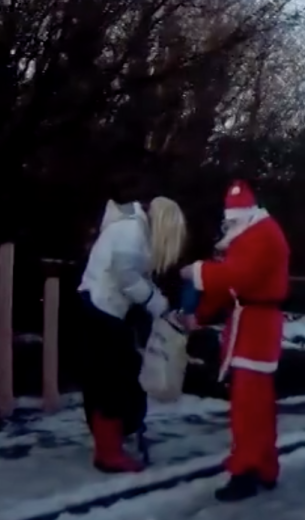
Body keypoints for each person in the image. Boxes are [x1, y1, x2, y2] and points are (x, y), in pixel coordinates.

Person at [180, 180, 289, 502]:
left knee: (247, 406)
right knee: (257, 405)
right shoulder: (255, 233)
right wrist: (198, 315)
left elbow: (235, 277)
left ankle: (245, 471)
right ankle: (264, 466)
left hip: (256, 328)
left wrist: (197, 272)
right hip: (253, 325)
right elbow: (231, 282)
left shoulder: (262, 236)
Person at [77, 197, 187, 473]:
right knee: (116, 380)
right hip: (103, 308)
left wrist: (158, 304)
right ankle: (108, 454)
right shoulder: (132, 230)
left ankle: (108, 442)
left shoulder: (131, 228)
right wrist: (157, 304)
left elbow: (136, 276)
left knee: (105, 379)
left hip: (97, 306)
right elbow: (126, 275)